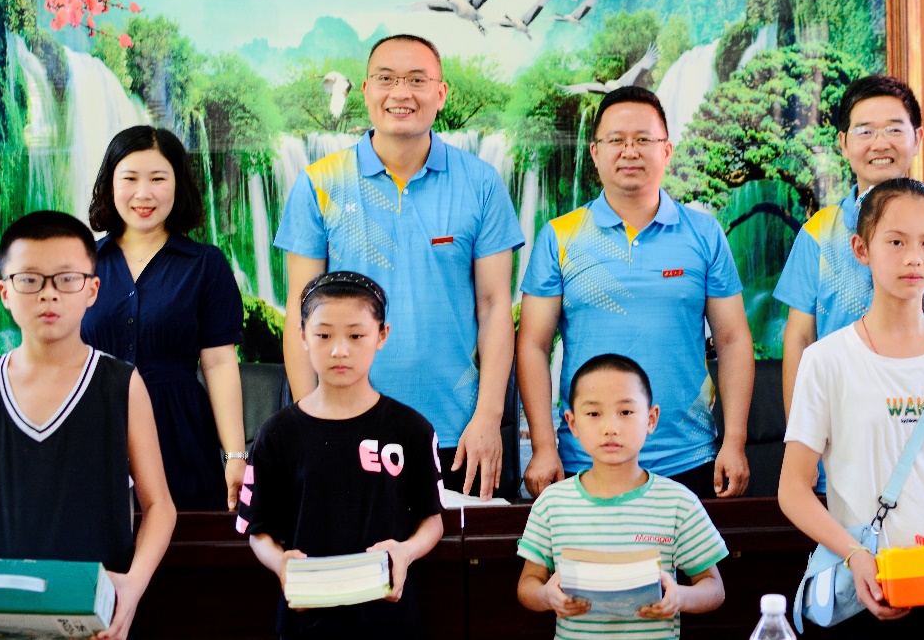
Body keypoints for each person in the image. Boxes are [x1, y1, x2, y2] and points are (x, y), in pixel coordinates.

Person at [275, 34, 524, 500]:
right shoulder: (319, 183)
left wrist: (489, 418)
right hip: (346, 428)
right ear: (366, 90)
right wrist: (311, 421)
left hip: (456, 431)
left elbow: (495, 307)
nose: (401, 93)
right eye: (386, 79)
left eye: (417, 80)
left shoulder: (481, 183)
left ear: (440, 94)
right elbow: (299, 311)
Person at [778, 179, 924, 638]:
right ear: (861, 249)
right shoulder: (826, 360)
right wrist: (855, 556)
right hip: (868, 590)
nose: (913, 258)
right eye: (896, 242)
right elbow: (792, 489)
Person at [517, 86, 754, 500]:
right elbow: (534, 345)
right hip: (584, 459)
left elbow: (733, 340)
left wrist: (734, 442)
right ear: (594, 152)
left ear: (667, 151)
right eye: (616, 140)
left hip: (689, 458)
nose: (630, 151)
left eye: (644, 139)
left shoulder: (704, 234)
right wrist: (543, 447)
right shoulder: (559, 236)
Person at [773, 76, 924, 491]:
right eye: (865, 131)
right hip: (844, 447)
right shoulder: (818, 233)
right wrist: (802, 443)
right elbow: (799, 339)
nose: (880, 143)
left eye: (894, 129)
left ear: (917, 138)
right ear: (843, 143)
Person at [0, 211, 176, 640]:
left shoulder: (120, 384)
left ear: (92, 289)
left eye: (66, 279)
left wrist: (132, 586)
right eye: (29, 279)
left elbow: (159, 507)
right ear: (5, 292)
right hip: (1, 614)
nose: (48, 294)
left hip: (93, 619)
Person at [237, 271, 444, 639]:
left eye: (355, 335)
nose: (339, 350)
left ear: (382, 335)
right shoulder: (276, 435)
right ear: (303, 335)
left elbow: (433, 520)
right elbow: (257, 530)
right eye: (324, 335)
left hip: (388, 619)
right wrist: (281, 563)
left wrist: (406, 552)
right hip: (306, 621)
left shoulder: (410, 430)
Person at [83, 125, 247, 511]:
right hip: (93, 427)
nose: (144, 193)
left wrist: (236, 455)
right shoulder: (81, 262)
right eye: (130, 178)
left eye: (158, 179)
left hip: (179, 430)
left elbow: (219, 363)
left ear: (178, 185)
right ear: (110, 184)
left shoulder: (206, 264)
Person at [516, 354, 727, 638]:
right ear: (572, 423)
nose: (610, 428)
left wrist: (680, 597)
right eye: (594, 414)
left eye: (625, 412)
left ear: (651, 419)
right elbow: (527, 585)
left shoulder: (679, 503)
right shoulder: (552, 504)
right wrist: (546, 596)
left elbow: (714, 589)